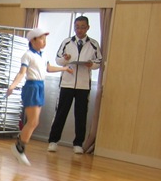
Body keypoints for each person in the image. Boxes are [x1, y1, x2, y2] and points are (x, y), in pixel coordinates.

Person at [6, 27, 73, 166]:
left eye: (45, 39)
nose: (44, 41)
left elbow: (48, 68)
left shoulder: (42, 55)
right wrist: (12, 86)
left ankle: (19, 146)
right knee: (33, 121)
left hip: (40, 86)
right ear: (33, 40)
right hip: (32, 87)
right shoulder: (27, 55)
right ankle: (19, 148)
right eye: (42, 39)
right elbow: (22, 73)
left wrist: (64, 68)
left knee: (34, 122)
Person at [47, 16, 102, 154]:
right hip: (67, 83)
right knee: (61, 113)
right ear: (74, 27)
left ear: (88, 28)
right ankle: (53, 141)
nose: (79, 30)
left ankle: (78, 143)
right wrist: (65, 59)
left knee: (81, 115)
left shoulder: (93, 44)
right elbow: (58, 60)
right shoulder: (67, 42)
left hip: (83, 85)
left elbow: (99, 62)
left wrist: (91, 64)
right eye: (77, 27)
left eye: (82, 27)